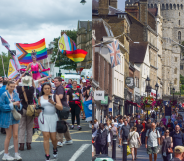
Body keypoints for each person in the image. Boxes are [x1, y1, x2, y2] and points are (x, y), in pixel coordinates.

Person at [38, 83, 63, 161]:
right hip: (43, 117)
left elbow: (61, 107)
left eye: (48, 88)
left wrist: (53, 103)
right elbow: (39, 110)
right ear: (42, 89)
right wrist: (36, 108)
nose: (47, 90)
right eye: (45, 88)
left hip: (53, 117)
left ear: (50, 89)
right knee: (46, 136)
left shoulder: (55, 96)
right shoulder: (40, 98)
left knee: (53, 138)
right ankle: (47, 155)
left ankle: (55, 149)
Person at [0, 81, 22, 160]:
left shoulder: (16, 94)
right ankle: (5, 154)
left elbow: (19, 103)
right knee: (8, 136)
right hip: (7, 117)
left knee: (16, 135)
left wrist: (19, 105)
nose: (12, 88)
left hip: (14, 116)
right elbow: (1, 106)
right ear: (8, 86)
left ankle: (16, 153)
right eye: (11, 86)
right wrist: (12, 104)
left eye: (14, 86)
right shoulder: (4, 94)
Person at [16, 74, 35, 151]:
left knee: (22, 127)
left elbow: (15, 84)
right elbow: (33, 85)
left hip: (22, 108)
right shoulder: (31, 89)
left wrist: (20, 78)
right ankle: (28, 144)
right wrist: (32, 78)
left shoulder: (20, 88)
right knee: (29, 127)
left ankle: (21, 144)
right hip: (30, 108)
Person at [53, 77, 72, 147]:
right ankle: (69, 139)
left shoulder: (60, 88)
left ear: (60, 82)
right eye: (54, 81)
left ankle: (60, 141)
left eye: (56, 81)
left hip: (62, 108)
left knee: (60, 124)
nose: (55, 82)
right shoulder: (58, 88)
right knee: (63, 124)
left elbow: (60, 97)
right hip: (63, 108)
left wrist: (53, 97)